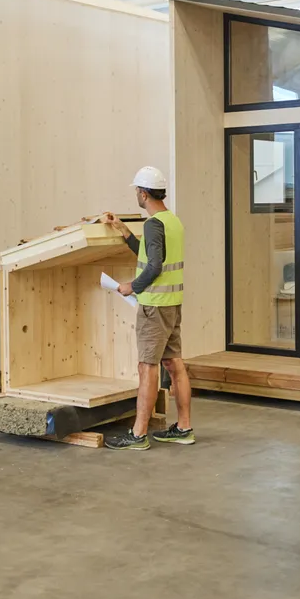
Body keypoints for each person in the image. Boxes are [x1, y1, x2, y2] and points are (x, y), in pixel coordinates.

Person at [102, 166, 194, 451]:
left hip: (154, 307)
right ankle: (184, 427)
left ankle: (138, 434)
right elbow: (149, 253)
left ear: (142, 193)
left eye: (136, 192)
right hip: (172, 304)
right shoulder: (171, 221)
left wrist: (133, 286)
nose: (136, 196)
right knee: (174, 364)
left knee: (147, 367)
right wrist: (123, 229)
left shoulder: (154, 224)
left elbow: (154, 265)